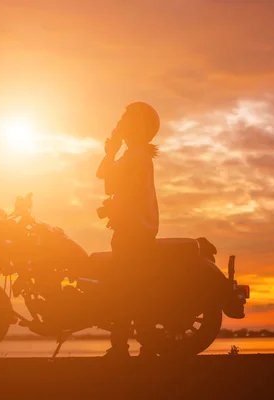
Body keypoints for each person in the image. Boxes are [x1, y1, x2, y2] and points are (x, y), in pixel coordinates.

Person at [96, 102, 160, 358]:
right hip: (133, 230)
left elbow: (108, 180)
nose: (120, 123)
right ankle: (138, 345)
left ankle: (124, 347)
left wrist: (111, 152)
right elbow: (106, 177)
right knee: (130, 287)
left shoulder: (136, 155)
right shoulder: (134, 154)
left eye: (125, 119)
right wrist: (111, 152)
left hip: (133, 232)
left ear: (139, 125)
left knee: (124, 288)